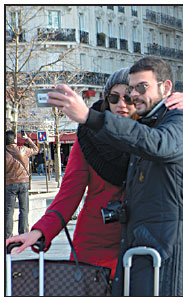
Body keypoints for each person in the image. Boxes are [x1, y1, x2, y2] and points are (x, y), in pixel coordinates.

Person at [47, 56, 183, 296]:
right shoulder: (104, 135)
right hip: (129, 243)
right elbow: (69, 192)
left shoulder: (171, 122)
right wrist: (42, 232)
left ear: (166, 88)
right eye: (118, 95)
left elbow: (162, 143)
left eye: (140, 88)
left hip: (165, 241)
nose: (131, 97)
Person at [6, 68, 136, 278]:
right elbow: (69, 194)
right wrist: (41, 231)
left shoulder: (151, 135)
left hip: (138, 243)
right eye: (114, 97)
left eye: (129, 97)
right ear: (106, 99)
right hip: (95, 245)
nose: (121, 104)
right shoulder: (88, 137)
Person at [5, 130, 39, 238]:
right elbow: (36, 149)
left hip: (9, 184)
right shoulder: (23, 150)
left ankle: (7, 235)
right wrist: (27, 138)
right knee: (24, 209)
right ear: (15, 139)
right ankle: (23, 233)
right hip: (23, 183)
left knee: (8, 211)